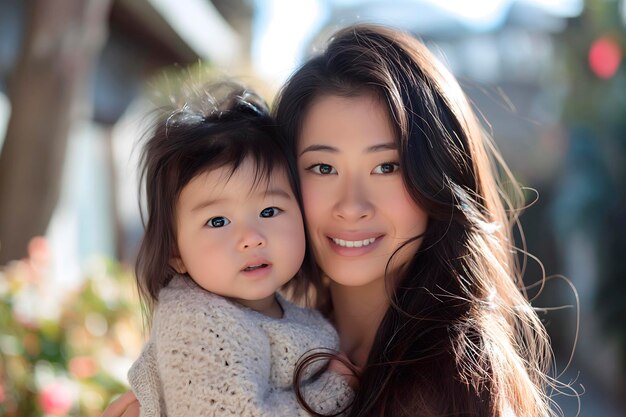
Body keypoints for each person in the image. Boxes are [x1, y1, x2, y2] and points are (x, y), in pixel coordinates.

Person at [104, 24, 555, 417]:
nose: (352, 205)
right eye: (323, 168)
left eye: (386, 167)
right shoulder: (263, 331)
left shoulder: (451, 389)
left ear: (437, 178)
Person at [125, 81, 353, 417]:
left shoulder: (287, 312)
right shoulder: (198, 321)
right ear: (176, 252)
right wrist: (336, 388)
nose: (251, 237)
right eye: (218, 222)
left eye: (269, 212)